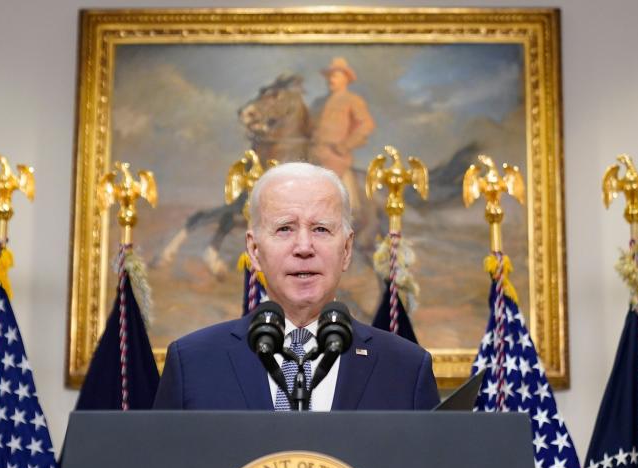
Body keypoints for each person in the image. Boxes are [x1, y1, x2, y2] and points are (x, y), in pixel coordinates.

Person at [152, 162, 439, 411]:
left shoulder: (405, 368)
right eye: (285, 228)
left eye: (321, 229)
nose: (304, 247)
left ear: (347, 249)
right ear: (254, 250)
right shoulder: (193, 364)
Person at [308, 57, 375, 213]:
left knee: (335, 198)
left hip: (336, 156)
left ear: (346, 79)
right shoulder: (318, 102)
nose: (331, 79)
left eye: (336, 75)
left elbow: (367, 124)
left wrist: (346, 145)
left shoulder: (353, 100)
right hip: (312, 154)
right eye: (329, 76)